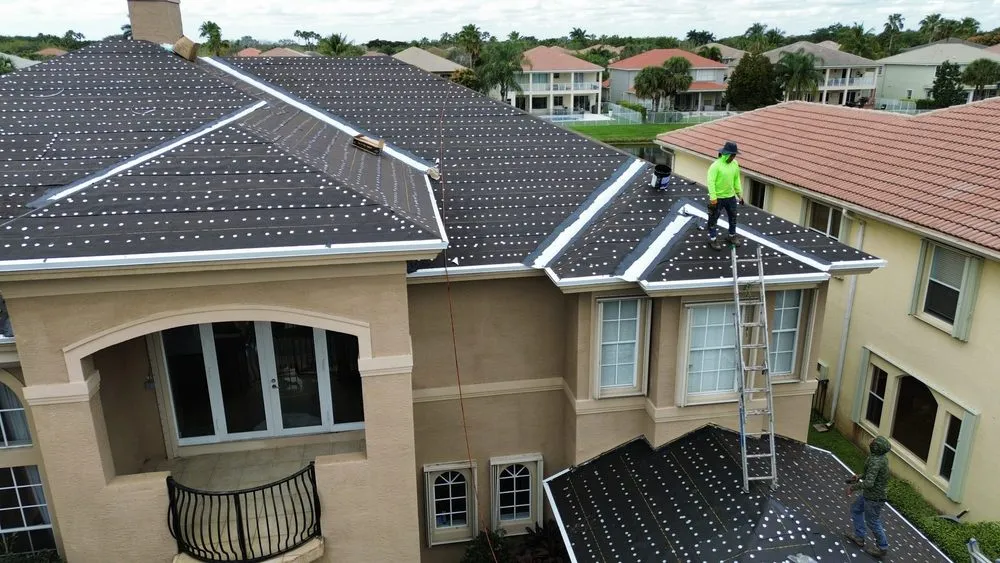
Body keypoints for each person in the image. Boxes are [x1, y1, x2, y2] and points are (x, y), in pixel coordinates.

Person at [845, 436, 891, 558]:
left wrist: (852, 487)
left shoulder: (876, 461)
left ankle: (882, 547)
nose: (870, 441)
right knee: (856, 509)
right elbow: (870, 475)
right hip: (870, 495)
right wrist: (859, 477)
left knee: (873, 521)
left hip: (874, 498)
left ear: (876, 447)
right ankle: (859, 537)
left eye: (873, 441)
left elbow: (870, 482)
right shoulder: (879, 457)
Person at [706, 141, 744, 250]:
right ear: (726, 154)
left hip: (731, 197)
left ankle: (731, 236)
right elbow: (711, 182)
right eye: (732, 155)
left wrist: (739, 195)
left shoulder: (735, 164)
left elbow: (736, 179)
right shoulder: (715, 166)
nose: (733, 157)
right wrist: (713, 198)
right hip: (718, 198)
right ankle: (713, 239)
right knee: (713, 219)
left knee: (733, 217)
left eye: (734, 155)